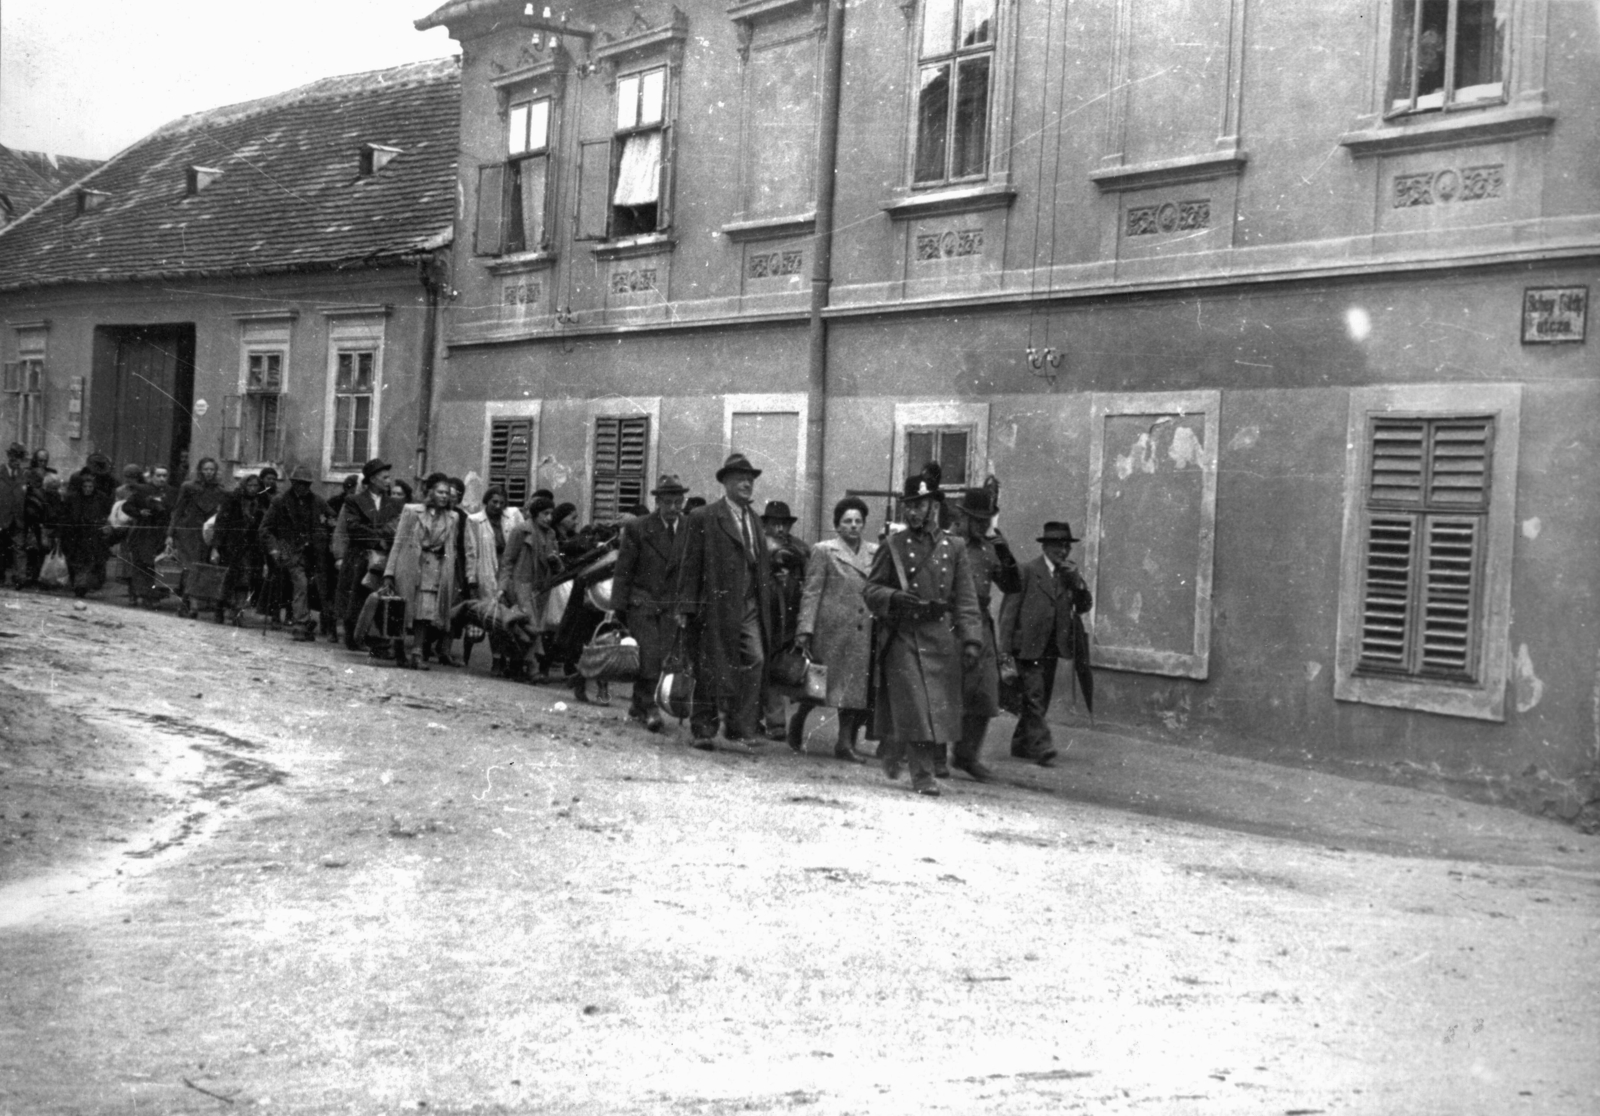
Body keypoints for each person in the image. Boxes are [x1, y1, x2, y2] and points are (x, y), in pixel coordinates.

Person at [861, 472, 983, 797]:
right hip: (904, 634)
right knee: (917, 703)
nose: (913, 512)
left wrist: (971, 638)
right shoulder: (894, 546)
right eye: (909, 506)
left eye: (920, 505)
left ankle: (893, 743)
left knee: (935, 706)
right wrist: (892, 598)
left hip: (940, 636)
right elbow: (870, 589)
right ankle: (923, 774)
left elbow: (967, 598)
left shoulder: (954, 547)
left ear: (934, 507)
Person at [675, 452, 774, 749]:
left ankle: (740, 726)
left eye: (751, 479)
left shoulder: (754, 519)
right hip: (715, 606)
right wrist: (685, 606)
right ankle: (703, 729)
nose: (747, 484)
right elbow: (689, 563)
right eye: (740, 479)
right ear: (726, 483)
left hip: (749, 605)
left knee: (755, 659)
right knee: (710, 664)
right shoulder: (704, 516)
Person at [789, 496, 878, 762]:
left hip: (862, 631)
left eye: (858, 521)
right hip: (831, 631)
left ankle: (844, 743)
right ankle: (799, 720)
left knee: (852, 688)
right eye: (847, 521)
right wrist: (805, 629)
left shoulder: (874, 551)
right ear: (837, 526)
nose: (853, 526)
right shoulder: (824, 550)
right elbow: (812, 591)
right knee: (818, 686)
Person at [998, 521, 1094, 767]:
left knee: (1040, 698)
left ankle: (1021, 743)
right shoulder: (1027, 570)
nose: (1062, 551)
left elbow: (1083, 607)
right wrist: (1005, 653)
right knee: (1034, 696)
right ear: (1046, 547)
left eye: (1065, 547)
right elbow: (1008, 614)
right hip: (1027, 647)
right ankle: (1042, 746)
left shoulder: (1068, 574)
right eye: (1057, 546)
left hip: (1053, 647)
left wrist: (1078, 584)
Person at [944, 485, 1022, 782]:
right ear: (961, 517)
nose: (982, 526)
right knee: (947, 691)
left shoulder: (991, 548)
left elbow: (1012, 586)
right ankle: (938, 754)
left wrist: (1004, 550)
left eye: (986, 520)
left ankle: (966, 755)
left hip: (982, 623)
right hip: (950, 620)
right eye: (976, 520)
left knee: (985, 693)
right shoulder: (946, 543)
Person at [611, 474, 688, 731]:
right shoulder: (639, 528)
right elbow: (624, 570)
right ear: (657, 502)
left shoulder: (688, 529)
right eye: (669, 502)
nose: (674, 508)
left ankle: (638, 704)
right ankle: (651, 708)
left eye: (679, 502)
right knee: (649, 656)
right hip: (642, 602)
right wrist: (618, 608)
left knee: (663, 657)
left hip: (671, 606)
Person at [383, 474, 463, 669]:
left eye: (447, 493)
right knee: (402, 609)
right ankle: (399, 648)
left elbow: (450, 548)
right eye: (440, 492)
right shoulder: (412, 511)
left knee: (425, 613)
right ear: (430, 492)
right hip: (409, 565)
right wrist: (389, 572)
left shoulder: (453, 517)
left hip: (434, 568)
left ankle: (417, 653)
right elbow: (398, 542)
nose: (445, 496)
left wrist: (448, 576)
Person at [338, 459, 405, 655]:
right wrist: (379, 538)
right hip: (359, 556)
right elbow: (353, 528)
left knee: (381, 595)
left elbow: (397, 526)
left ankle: (379, 640)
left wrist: (383, 536)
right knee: (357, 596)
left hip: (383, 557)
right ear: (373, 479)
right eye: (384, 477)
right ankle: (354, 638)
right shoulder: (353, 501)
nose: (388, 481)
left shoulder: (394, 503)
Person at [759, 500, 813, 741]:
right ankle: (774, 720)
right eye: (775, 525)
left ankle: (774, 719)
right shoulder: (758, 546)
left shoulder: (799, 548)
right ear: (766, 525)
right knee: (762, 663)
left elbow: (809, 571)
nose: (780, 530)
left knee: (780, 664)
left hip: (790, 614)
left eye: (784, 525)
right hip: (763, 612)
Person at [260, 465, 332, 641]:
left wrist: (327, 526)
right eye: (300, 484)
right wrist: (275, 548)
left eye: (307, 484)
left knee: (321, 584)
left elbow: (334, 519)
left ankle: (322, 624)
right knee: (301, 582)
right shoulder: (280, 502)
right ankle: (300, 623)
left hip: (313, 551)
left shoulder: (318, 502)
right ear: (293, 483)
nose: (303, 488)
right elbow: (265, 529)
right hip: (287, 547)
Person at [462, 484, 524, 672]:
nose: (497, 506)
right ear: (486, 502)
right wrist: (472, 579)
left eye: (501, 503)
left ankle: (511, 658)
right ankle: (497, 658)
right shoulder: (474, 521)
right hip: (487, 570)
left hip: (510, 571)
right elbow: (471, 552)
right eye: (494, 502)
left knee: (513, 614)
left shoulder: (512, 517)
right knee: (495, 617)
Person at [497, 495, 560, 679]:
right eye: (545, 513)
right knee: (529, 625)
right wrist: (502, 587)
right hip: (521, 583)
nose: (549, 518)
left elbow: (556, 562)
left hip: (541, 586)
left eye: (551, 514)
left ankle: (517, 666)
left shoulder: (551, 534)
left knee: (533, 627)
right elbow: (508, 561)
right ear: (534, 514)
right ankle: (532, 668)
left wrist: (555, 561)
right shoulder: (520, 530)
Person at [168, 457, 227, 617]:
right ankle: (192, 605)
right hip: (188, 532)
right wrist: (170, 533)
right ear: (200, 470)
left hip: (206, 533)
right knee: (191, 567)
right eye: (206, 469)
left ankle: (186, 604)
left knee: (199, 567)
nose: (209, 472)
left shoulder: (220, 491)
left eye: (212, 470)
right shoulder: (188, 487)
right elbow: (178, 510)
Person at [213, 473, 266, 623]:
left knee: (244, 580)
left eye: (256, 486)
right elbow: (221, 523)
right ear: (244, 486)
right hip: (230, 546)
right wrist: (216, 547)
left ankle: (238, 612)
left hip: (248, 547)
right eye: (250, 485)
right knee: (227, 580)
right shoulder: (232, 500)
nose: (253, 489)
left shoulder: (260, 502)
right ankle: (220, 609)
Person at [122, 464, 174, 606]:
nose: (162, 478)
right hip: (144, 531)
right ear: (151, 476)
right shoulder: (143, 490)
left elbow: (174, 511)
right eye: (158, 475)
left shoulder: (171, 492)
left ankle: (154, 596)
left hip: (162, 532)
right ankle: (142, 594)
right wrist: (139, 513)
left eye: (164, 476)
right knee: (144, 563)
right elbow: (126, 506)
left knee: (159, 563)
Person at [59, 470, 113, 597]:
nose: (88, 489)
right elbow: (66, 515)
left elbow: (106, 513)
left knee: (89, 562)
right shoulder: (72, 498)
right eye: (85, 487)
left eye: (90, 487)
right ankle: (78, 584)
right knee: (76, 561)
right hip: (75, 535)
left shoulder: (101, 498)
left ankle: (82, 585)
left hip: (93, 535)